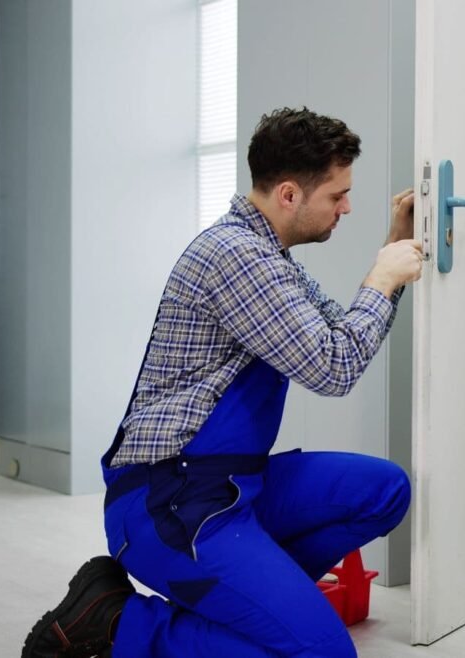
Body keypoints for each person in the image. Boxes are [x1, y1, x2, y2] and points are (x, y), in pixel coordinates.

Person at [23, 107, 422, 658]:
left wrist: (389, 256)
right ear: (288, 195)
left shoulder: (271, 255)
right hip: (171, 501)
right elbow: (334, 368)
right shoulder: (236, 256)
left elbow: (339, 328)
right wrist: (383, 277)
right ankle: (116, 623)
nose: (346, 206)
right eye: (337, 195)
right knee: (324, 653)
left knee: (384, 491)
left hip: (232, 486)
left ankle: (244, 601)